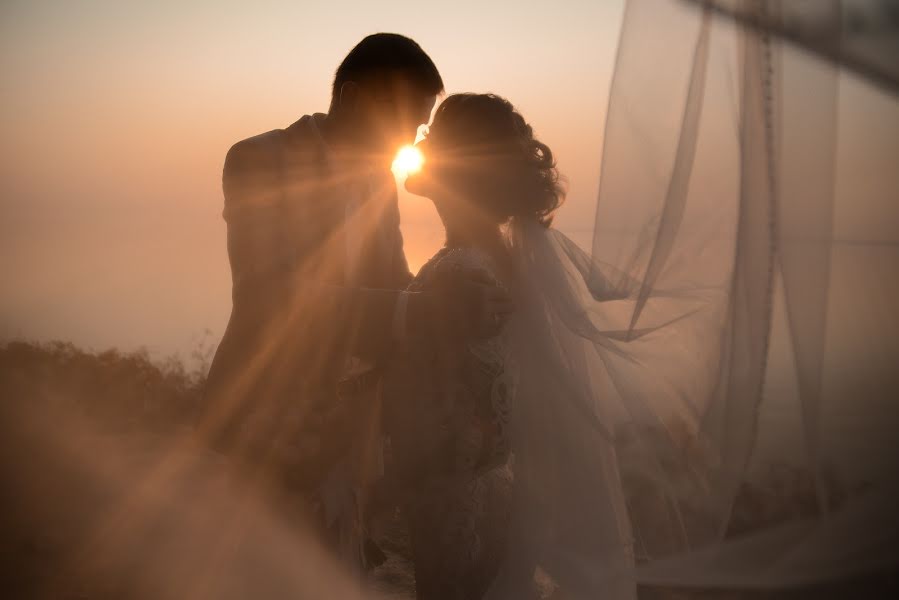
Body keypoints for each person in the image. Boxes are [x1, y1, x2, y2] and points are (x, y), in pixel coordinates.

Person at [197, 36, 512, 574]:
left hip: (349, 434)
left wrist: (460, 307)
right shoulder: (257, 158)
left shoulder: (377, 180)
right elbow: (271, 299)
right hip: (264, 425)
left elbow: (392, 279)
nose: (410, 140)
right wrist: (426, 310)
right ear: (354, 96)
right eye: (408, 122)